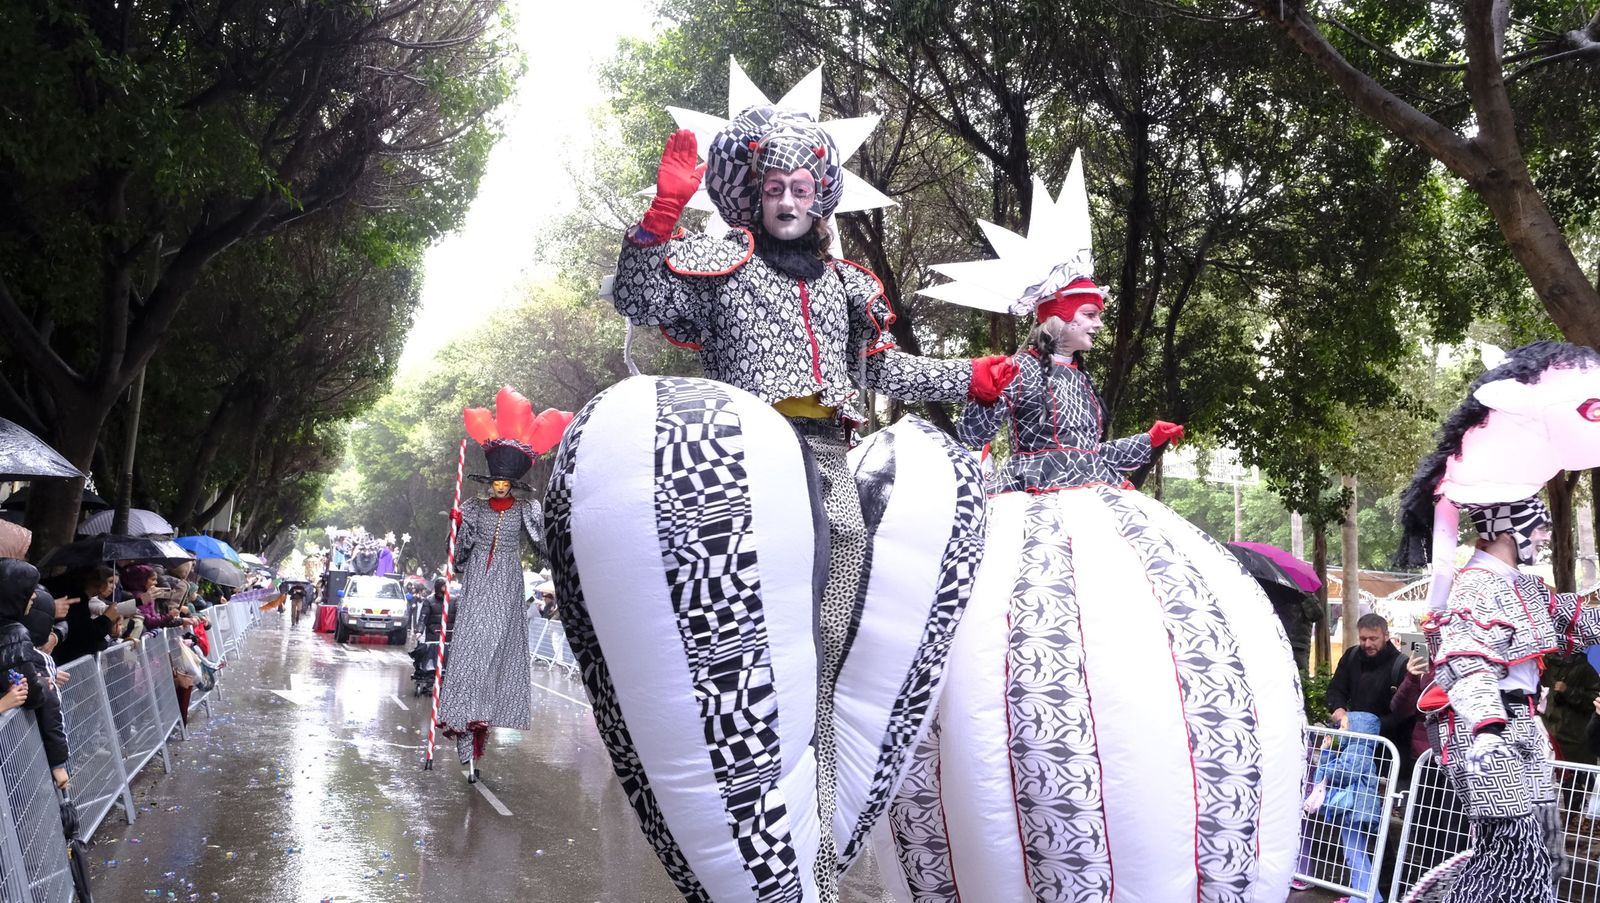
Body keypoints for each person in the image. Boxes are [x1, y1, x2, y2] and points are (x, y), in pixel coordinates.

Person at [873, 152, 1304, 900]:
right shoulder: (1020, 372)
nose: (1100, 322)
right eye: (1090, 312)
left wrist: (1145, 444)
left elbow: (1092, 453)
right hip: (1027, 509)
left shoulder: (1077, 382)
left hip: (1092, 500)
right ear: (1052, 316)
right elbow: (982, 432)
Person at [437, 387, 549, 780]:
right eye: (496, 481)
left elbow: (542, 544)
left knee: (497, 655)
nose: (501, 486)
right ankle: (464, 731)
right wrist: (459, 526)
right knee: (470, 653)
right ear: (489, 483)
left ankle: (481, 723)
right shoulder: (473, 508)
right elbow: (461, 554)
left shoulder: (527, 510)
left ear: (514, 485)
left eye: (507, 482)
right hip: (478, 586)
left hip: (507, 581)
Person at [0, 560, 68, 789]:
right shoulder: (14, 634)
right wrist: (40, 682)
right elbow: (31, 694)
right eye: (29, 593)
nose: (33, 598)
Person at [1307, 711, 1387, 903]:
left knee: (1354, 853)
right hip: (1355, 809)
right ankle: (1367, 895)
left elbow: (1344, 773)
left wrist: (1325, 759)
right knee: (1356, 852)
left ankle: (1363, 897)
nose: (1340, 731)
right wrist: (1328, 755)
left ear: (1358, 729)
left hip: (1355, 809)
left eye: (1344, 726)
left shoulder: (1358, 750)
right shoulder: (1357, 749)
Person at [1327, 613, 1413, 764]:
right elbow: (1336, 689)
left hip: (1390, 749)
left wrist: (1371, 726)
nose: (1367, 644)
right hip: (1353, 745)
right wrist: (1338, 708)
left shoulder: (1402, 665)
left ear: (1386, 636)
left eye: (1373, 639)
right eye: (1363, 639)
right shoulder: (1351, 656)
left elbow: (1406, 711)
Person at [1540, 650, 1600, 766]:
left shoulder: (1585, 669)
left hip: (1573, 737)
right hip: (1546, 730)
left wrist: (1568, 690)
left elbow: (1594, 701)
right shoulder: (1544, 664)